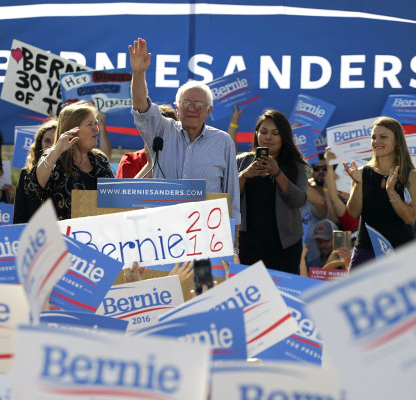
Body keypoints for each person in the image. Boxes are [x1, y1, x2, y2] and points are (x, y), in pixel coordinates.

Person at [129, 37, 241, 225]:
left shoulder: (223, 141)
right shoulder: (162, 129)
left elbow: (231, 193)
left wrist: (233, 239)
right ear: (177, 107)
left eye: (198, 104)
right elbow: (141, 106)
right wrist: (138, 74)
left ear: (209, 110)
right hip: (164, 232)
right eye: (186, 103)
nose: (191, 108)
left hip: (206, 232)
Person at [343, 117, 416, 269]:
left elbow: (409, 217)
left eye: (383, 137)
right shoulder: (360, 174)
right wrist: (359, 184)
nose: (376, 141)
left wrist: (391, 193)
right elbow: (353, 212)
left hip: (400, 250)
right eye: (373, 137)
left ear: (397, 141)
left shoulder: (411, 176)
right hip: (366, 251)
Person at [236, 109, 307, 274]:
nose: (268, 137)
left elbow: (299, 200)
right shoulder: (242, 161)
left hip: (285, 246)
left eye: (275, 133)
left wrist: (277, 173)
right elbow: (227, 197)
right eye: (264, 132)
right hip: (248, 245)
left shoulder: (296, 165)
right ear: (256, 134)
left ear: (284, 137)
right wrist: (245, 175)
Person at [24, 101, 113, 220]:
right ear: (73, 129)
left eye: (96, 123)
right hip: (64, 236)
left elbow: (113, 199)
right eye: (90, 124)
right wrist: (56, 151)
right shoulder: (54, 159)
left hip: (98, 234)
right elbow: (33, 186)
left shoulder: (100, 160)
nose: (96, 129)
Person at [116, 104, 178, 179]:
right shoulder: (130, 160)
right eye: (155, 130)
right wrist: (150, 163)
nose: (161, 136)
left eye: (166, 130)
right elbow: (128, 190)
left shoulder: (182, 158)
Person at [14, 119, 57, 224]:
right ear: (39, 144)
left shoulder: (71, 173)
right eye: (47, 140)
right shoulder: (26, 174)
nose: (51, 145)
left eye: (56, 140)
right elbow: (19, 217)